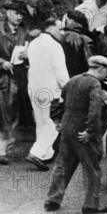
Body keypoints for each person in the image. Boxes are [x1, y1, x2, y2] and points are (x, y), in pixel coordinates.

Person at [43, 55, 107, 214]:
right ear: (100, 68)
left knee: (63, 165)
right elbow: (95, 111)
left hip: (67, 129)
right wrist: (90, 131)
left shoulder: (72, 80)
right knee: (92, 168)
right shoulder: (95, 84)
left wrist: (57, 121)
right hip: (83, 131)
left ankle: (53, 200)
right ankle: (91, 204)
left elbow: (57, 101)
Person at [25, 18, 70, 171]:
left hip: (34, 87)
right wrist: (68, 88)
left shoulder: (34, 43)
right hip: (51, 89)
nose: (62, 32)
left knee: (41, 122)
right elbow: (61, 73)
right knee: (53, 124)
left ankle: (45, 154)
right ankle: (37, 152)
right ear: (51, 28)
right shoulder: (55, 46)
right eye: (60, 29)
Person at [0, 0, 29, 165]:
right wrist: (1, 63)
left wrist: (27, 55)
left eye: (21, 14)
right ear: (7, 13)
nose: (18, 17)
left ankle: (10, 147)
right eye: (15, 13)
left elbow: (29, 48)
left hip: (18, 77)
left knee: (14, 114)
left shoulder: (24, 31)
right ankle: (0, 150)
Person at [61, 10, 94, 77]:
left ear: (72, 21)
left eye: (66, 20)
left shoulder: (61, 36)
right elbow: (91, 63)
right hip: (82, 79)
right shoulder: (87, 39)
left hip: (65, 78)